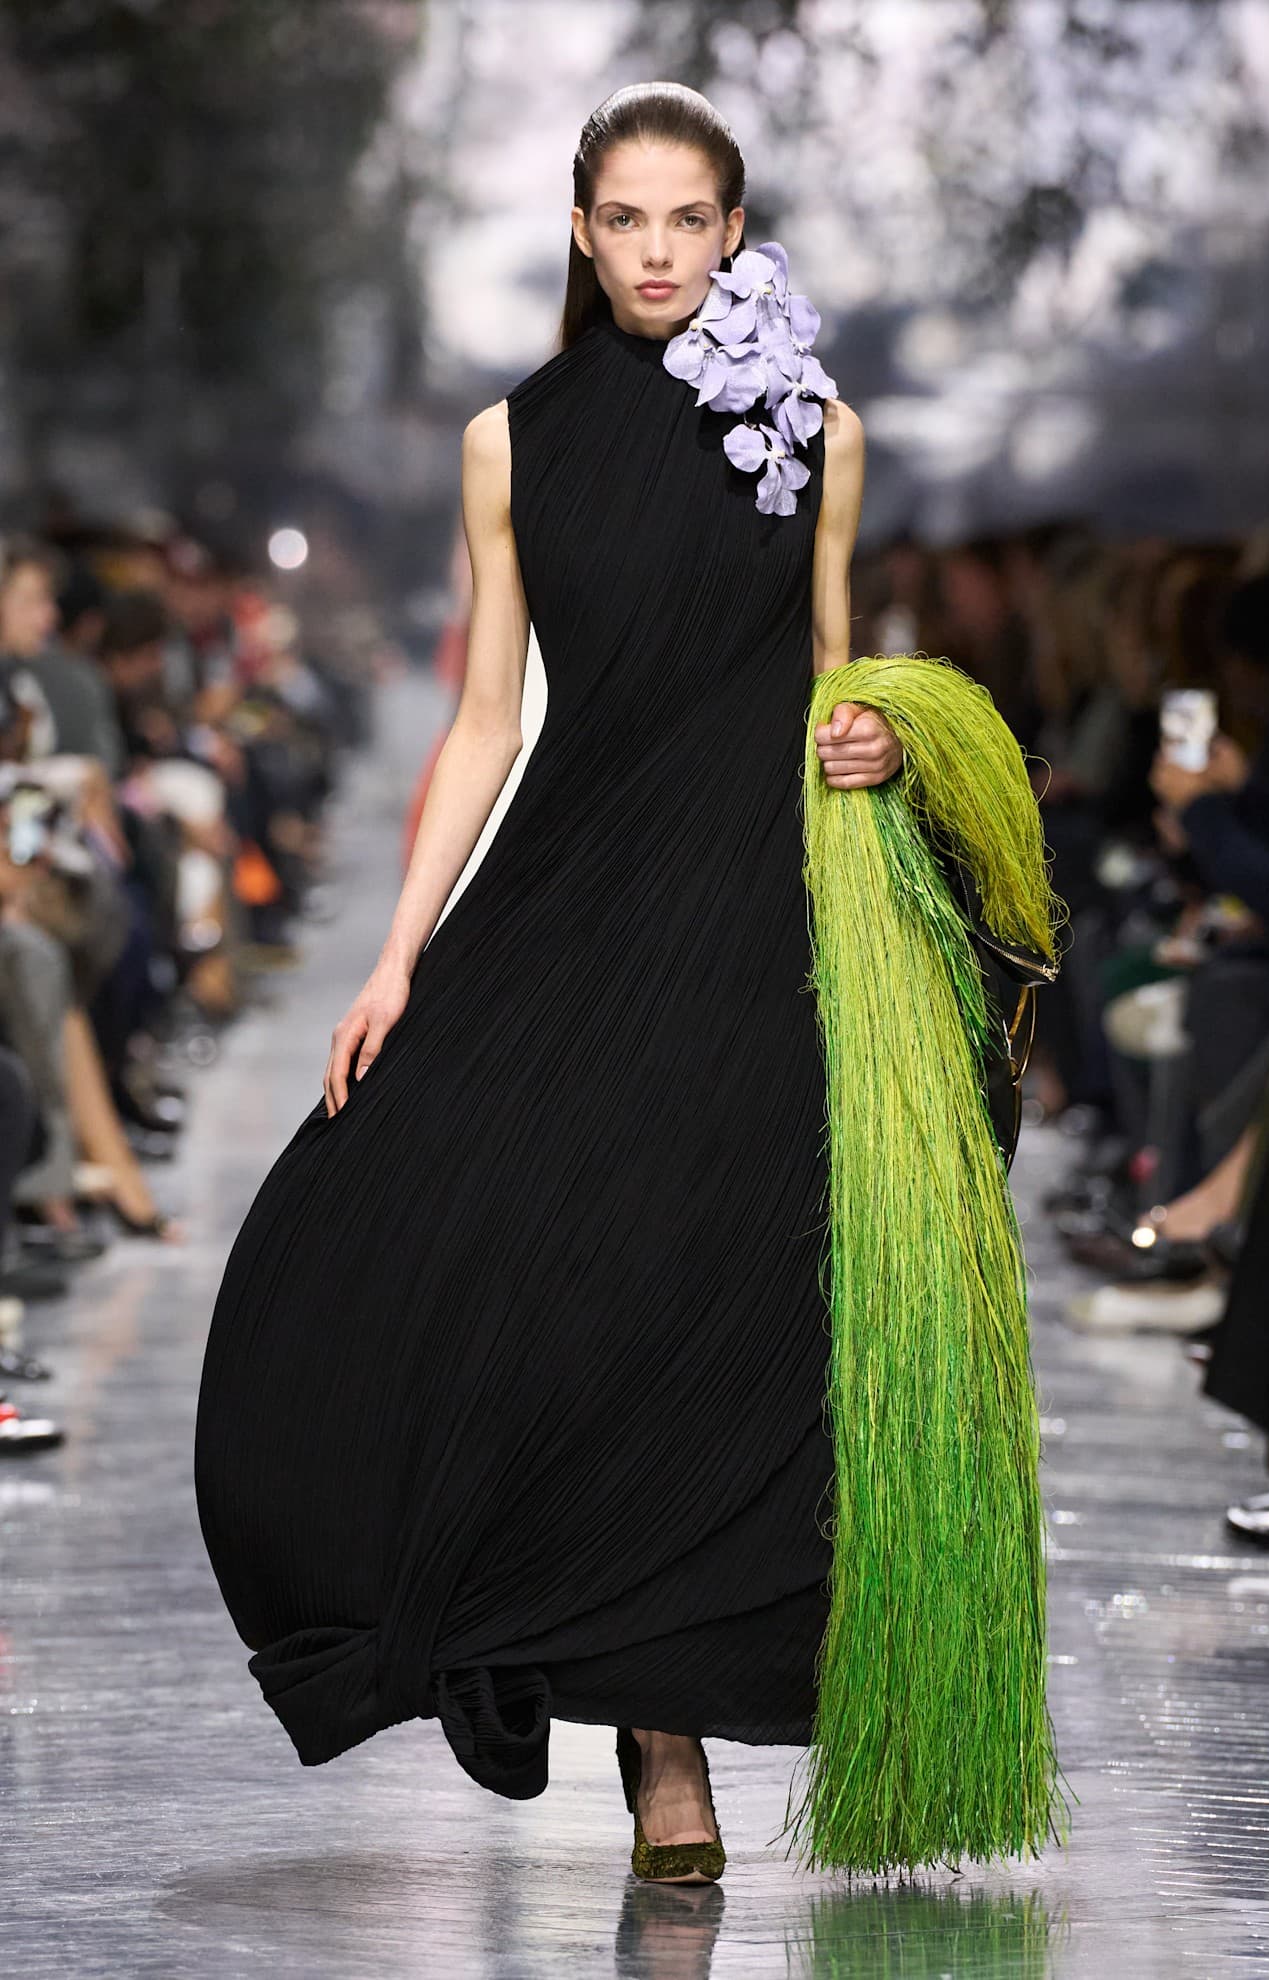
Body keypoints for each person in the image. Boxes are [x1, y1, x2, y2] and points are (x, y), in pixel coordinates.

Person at [194, 84, 1053, 1884]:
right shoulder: (508, 443)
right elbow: (484, 720)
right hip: (578, 896)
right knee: (490, 1252)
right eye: (626, 219)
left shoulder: (819, 429)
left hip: (764, 917)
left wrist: (877, 744)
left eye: (689, 219)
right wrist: (397, 952)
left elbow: (834, 679)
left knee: (715, 1301)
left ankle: (671, 1749)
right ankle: (564, 1667)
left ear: (734, 230)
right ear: (582, 234)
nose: (659, 250)